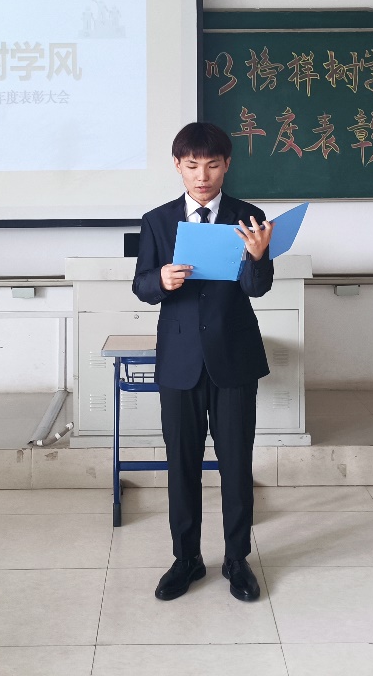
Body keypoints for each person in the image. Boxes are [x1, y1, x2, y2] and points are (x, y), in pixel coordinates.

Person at [132, 121, 274, 602]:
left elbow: (256, 288)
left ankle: (237, 559)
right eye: (192, 165)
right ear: (177, 165)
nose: (202, 175)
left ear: (227, 165)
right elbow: (141, 284)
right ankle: (186, 558)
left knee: (236, 463)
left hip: (233, 358)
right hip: (179, 362)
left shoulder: (248, 216)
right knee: (182, 464)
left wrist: (258, 258)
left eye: (212, 165)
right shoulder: (157, 220)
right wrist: (162, 280)